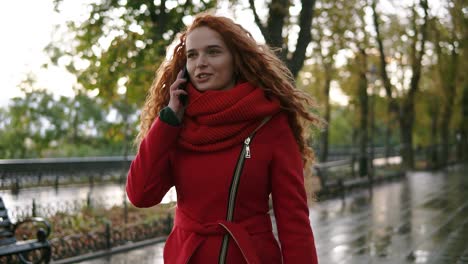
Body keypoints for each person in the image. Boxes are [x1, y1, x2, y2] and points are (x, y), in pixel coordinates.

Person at [126, 12, 320, 264]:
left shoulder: (271, 124)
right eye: (192, 55)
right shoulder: (176, 124)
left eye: (213, 52)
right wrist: (168, 120)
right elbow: (141, 195)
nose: (200, 63)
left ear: (236, 60)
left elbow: (293, 223)